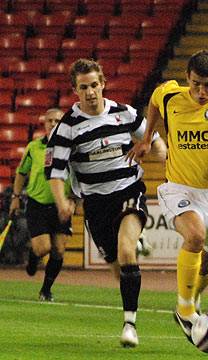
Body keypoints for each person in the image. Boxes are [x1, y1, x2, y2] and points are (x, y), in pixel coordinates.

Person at [127, 50, 208, 342]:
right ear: (187, 77)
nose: (201, 92)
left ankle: (194, 297)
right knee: (195, 237)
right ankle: (184, 310)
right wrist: (148, 138)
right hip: (178, 186)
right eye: (196, 84)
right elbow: (153, 102)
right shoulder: (170, 95)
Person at [44, 58, 167, 347]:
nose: (90, 92)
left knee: (126, 252)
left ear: (103, 84)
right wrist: (62, 201)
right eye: (83, 87)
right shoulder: (66, 128)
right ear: (75, 90)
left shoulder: (124, 114)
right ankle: (136, 244)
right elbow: (55, 170)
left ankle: (130, 325)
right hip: (96, 204)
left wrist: (158, 150)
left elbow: (154, 138)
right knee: (116, 267)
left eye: (94, 85)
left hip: (128, 190)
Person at [9, 108, 72, 302]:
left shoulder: (72, 148)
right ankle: (34, 254)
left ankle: (46, 289)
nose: (53, 124)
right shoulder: (34, 147)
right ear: (44, 123)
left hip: (60, 205)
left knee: (59, 250)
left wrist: (74, 201)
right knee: (43, 248)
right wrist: (15, 196)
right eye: (50, 121)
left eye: (57, 121)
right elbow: (21, 173)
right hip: (37, 203)